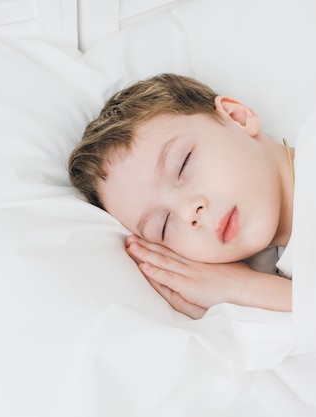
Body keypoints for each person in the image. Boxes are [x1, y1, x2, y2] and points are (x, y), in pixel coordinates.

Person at [68, 73, 294, 319]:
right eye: (163, 225)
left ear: (236, 117)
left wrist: (247, 290)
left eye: (182, 164)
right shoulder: (296, 270)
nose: (189, 213)